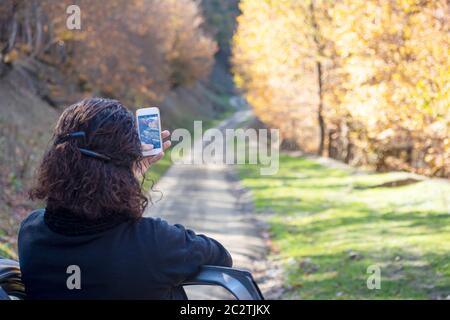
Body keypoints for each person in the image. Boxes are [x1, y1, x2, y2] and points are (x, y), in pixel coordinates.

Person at [18, 98, 232, 299]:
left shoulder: (31, 233)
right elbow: (221, 257)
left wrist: (125, 174)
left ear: (56, 160)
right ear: (122, 167)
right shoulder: (157, 243)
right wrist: (128, 179)